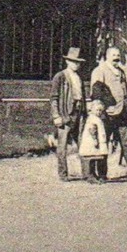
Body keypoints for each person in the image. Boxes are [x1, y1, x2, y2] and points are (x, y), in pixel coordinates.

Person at [91, 46, 127, 178]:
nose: (116, 57)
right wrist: (102, 109)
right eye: (113, 55)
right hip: (108, 113)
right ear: (107, 56)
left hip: (123, 112)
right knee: (103, 142)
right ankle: (102, 174)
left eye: (118, 55)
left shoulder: (121, 72)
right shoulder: (99, 71)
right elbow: (96, 92)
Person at [49, 46, 86, 181]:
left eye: (78, 62)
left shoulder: (79, 78)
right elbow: (53, 98)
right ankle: (63, 174)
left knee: (83, 144)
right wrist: (56, 116)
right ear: (67, 62)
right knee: (62, 146)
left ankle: (87, 173)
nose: (76, 64)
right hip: (65, 114)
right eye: (73, 61)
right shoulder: (60, 76)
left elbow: (81, 96)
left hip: (79, 113)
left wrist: (84, 113)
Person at [79, 90, 111, 183]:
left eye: (100, 110)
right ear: (92, 110)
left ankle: (96, 175)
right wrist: (95, 139)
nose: (99, 112)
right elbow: (92, 130)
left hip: (98, 141)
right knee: (91, 158)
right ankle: (90, 175)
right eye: (97, 110)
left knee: (96, 158)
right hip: (93, 141)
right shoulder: (93, 119)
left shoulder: (98, 119)